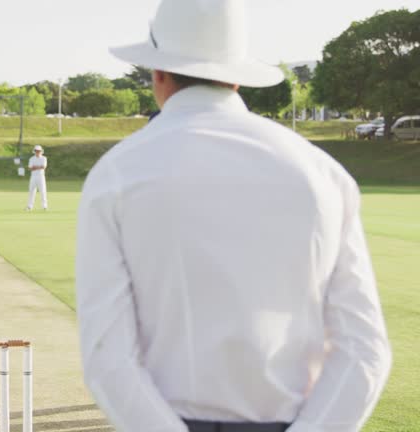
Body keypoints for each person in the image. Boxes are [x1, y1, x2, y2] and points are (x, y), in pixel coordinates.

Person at [75, 2, 392, 432]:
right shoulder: (322, 174)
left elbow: (107, 356)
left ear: (158, 73)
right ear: (236, 75)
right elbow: (364, 351)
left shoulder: (115, 175)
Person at [26, 145, 48, 211]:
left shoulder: (44, 158)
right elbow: (30, 168)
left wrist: (35, 167)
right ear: (34, 151)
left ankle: (44, 206)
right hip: (33, 177)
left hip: (41, 177)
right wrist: (38, 167)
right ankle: (30, 206)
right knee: (31, 191)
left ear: (41, 151)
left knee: (43, 191)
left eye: (39, 151)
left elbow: (43, 167)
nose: (37, 152)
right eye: (36, 151)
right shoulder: (31, 159)